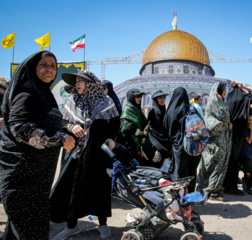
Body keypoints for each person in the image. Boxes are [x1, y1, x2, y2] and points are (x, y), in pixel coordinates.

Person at [0, 51, 75, 240]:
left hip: (35, 182)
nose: (50, 69)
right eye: (44, 64)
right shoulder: (26, 92)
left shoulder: (42, 94)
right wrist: (59, 139)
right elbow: (20, 129)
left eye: (53, 65)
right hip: (22, 182)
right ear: (32, 68)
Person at [50, 70, 120, 240]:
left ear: (90, 84)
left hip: (98, 155)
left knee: (100, 189)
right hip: (76, 154)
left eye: (81, 81)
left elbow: (116, 122)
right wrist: (70, 127)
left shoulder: (106, 102)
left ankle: (102, 224)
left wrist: (111, 138)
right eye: (76, 81)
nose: (77, 84)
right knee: (72, 189)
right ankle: (71, 226)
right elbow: (62, 121)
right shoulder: (73, 100)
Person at [197, 83, 232, 201]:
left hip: (224, 140)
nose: (225, 92)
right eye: (223, 90)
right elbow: (210, 122)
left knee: (220, 165)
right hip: (215, 141)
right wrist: (226, 124)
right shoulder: (213, 103)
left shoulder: (222, 102)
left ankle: (215, 188)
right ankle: (210, 191)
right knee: (212, 164)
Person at [163, 87, 200, 192]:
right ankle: (190, 201)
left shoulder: (170, 111)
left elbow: (166, 127)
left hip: (177, 147)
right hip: (191, 146)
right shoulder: (190, 109)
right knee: (191, 173)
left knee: (179, 173)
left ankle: (179, 200)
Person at [223, 81, 252, 195]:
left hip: (228, 134)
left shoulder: (228, 100)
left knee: (228, 160)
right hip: (239, 135)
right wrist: (243, 89)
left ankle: (226, 185)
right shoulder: (243, 100)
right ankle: (232, 187)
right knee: (234, 161)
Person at [142, 90, 171, 167]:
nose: (162, 99)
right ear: (155, 100)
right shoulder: (153, 112)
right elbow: (154, 130)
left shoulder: (165, 112)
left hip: (164, 144)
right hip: (155, 146)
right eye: (160, 98)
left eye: (164, 97)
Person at [119, 88, 147, 165]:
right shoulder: (128, 110)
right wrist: (140, 133)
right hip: (131, 146)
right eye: (137, 96)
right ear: (131, 98)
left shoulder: (137, 109)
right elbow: (125, 129)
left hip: (139, 145)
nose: (140, 98)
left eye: (140, 96)